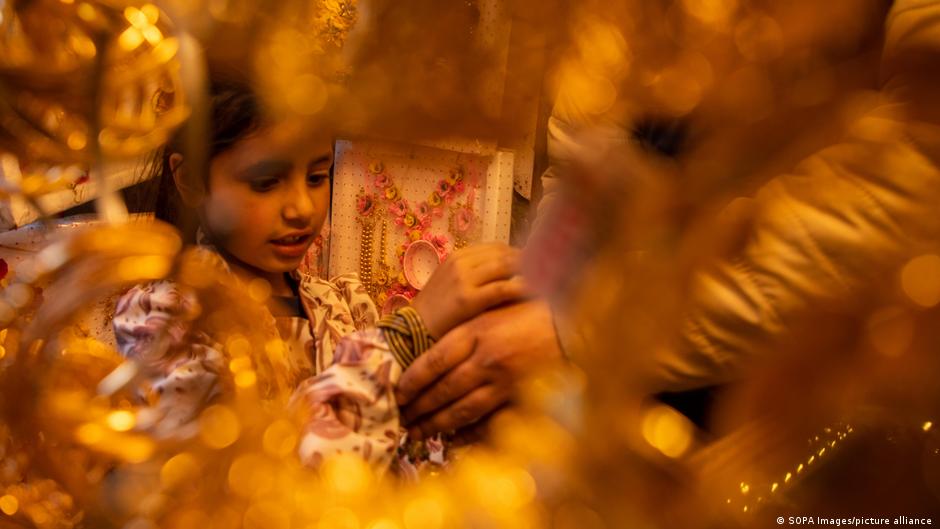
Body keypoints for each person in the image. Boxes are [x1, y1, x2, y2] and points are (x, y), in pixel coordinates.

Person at [111, 78, 528, 470]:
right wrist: (406, 333)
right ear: (190, 180)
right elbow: (264, 479)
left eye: (316, 177)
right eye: (266, 182)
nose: (302, 209)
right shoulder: (166, 319)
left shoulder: (342, 306)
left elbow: (388, 449)